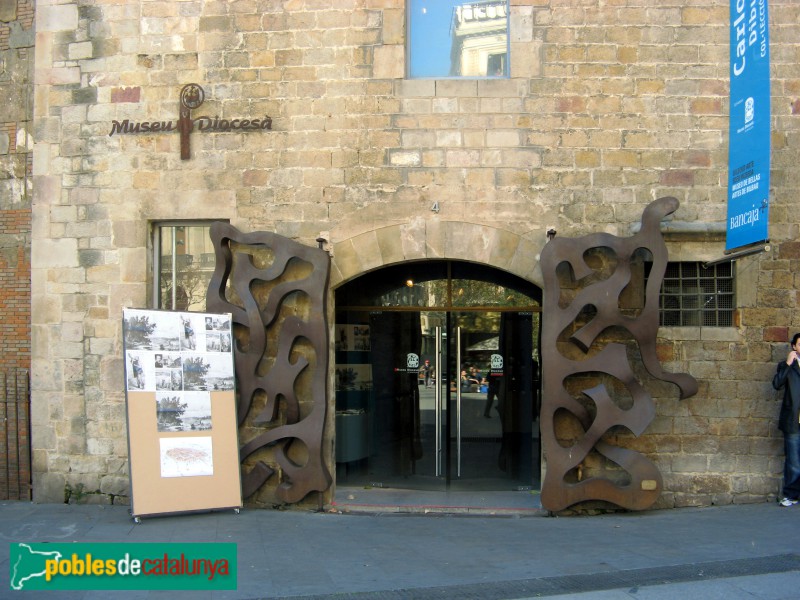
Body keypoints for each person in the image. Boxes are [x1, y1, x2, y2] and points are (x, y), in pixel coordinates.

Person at [772, 332, 800, 506]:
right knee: (794, 460)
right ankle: (791, 495)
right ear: (794, 347)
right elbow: (777, 384)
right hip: (793, 420)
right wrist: (789, 364)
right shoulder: (786, 366)